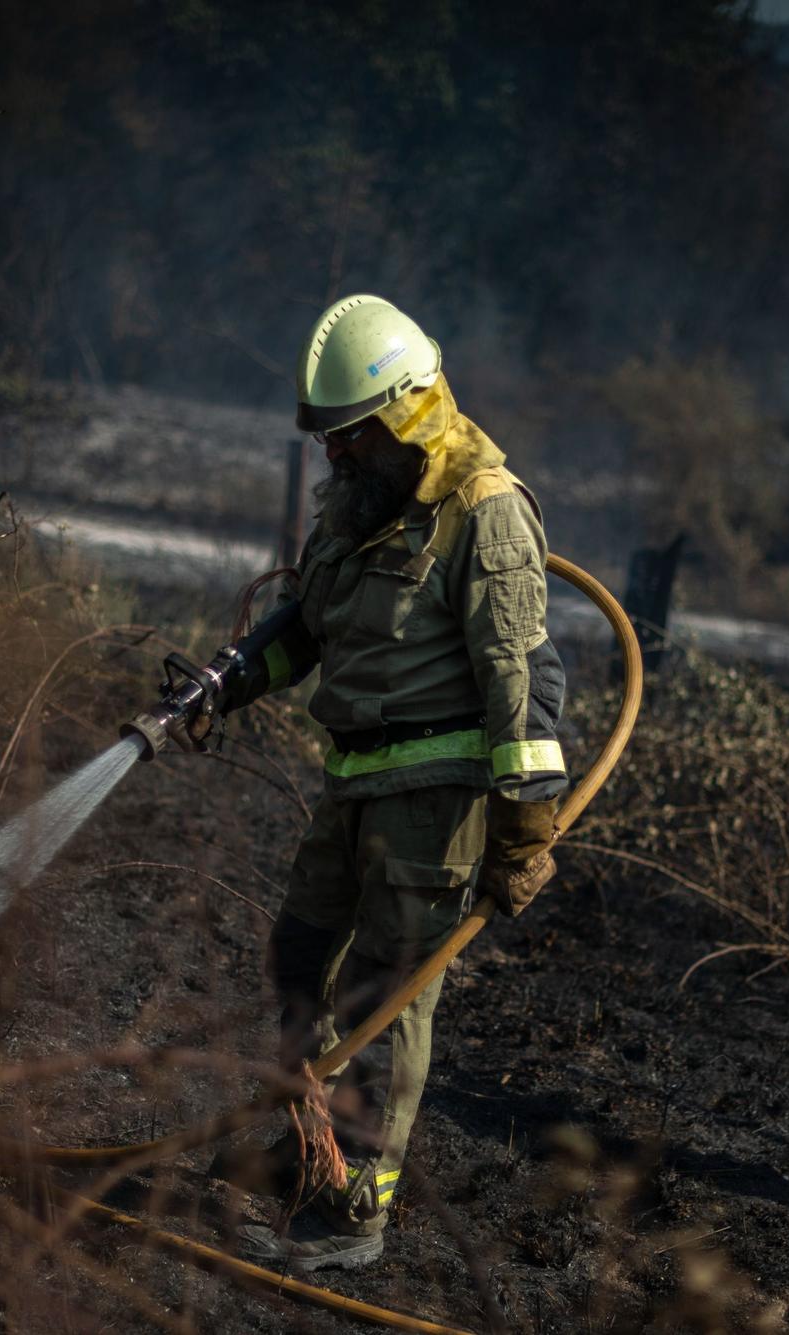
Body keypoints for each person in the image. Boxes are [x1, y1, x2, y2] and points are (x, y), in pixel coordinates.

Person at [208, 294, 569, 1273]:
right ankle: (309, 1154)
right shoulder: (355, 515)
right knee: (295, 962)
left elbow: (521, 691)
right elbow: (308, 630)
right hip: (350, 786)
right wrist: (223, 685)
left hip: (437, 799)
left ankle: (356, 1212)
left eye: (352, 436)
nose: (336, 458)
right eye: (328, 439)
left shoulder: (485, 515)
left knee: (384, 997)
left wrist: (523, 838)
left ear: (407, 414)